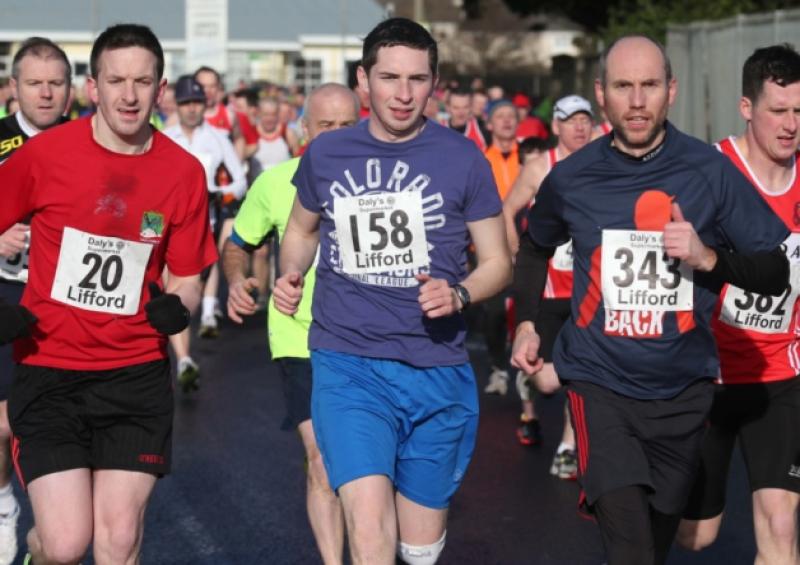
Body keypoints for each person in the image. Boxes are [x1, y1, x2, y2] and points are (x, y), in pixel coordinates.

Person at [510, 34, 790, 565]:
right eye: (623, 87)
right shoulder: (572, 178)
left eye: (649, 86)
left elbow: (775, 270)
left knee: (658, 543)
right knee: (632, 549)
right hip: (600, 384)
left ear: (671, 91)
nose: (637, 102)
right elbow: (533, 248)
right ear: (601, 94)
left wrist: (710, 259)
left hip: (682, 391)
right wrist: (527, 322)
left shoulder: (708, 172)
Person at [273, 17, 511, 565]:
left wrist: (459, 294)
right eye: (389, 77)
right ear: (364, 81)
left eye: (417, 80)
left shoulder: (462, 158)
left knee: (419, 549)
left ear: (434, 85)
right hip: (347, 362)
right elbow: (301, 231)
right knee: (369, 524)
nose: (403, 94)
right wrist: (290, 274)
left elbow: (498, 261)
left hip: (436, 365)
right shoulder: (327, 155)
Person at [0, 23, 216, 564]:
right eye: (115, 80)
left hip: (134, 375)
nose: (129, 94)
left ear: (160, 88)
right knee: (66, 543)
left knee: (118, 540)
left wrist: (179, 307)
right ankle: (39, 549)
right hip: (50, 368)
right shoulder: (44, 155)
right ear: (92, 88)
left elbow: (188, 277)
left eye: (142, 81)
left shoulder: (183, 173)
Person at [224, 82, 359, 565]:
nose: (339, 135)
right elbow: (238, 242)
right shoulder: (276, 181)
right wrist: (239, 280)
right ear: (304, 129)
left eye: (349, 125)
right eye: (327, 126)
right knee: (322, 460)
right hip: (298, 335)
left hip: (370, 338)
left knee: (368, 466)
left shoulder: (383, 180)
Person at [676, 44, 800, 564]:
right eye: (779, 110)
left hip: (780, 375)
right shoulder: (707, 171)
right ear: (747, 108)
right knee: (697, 536)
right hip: (707, 375)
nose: (791, 124)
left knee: (780, 522)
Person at [0, 36, 71, 565]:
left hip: (68, 303)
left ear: (70, 90)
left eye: (55, 83)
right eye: (34, 83)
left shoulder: (93, 137)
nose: (45, 94)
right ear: (13, 89)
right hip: (5, 293)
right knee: (3, 423)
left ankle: (50, 534)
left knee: (60, 422)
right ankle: (4, 506)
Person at [502, 95, 593, 469]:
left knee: (581, 371)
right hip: (548, 289)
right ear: (555, 126)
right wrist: (517, 259)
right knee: (548, 381)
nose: (580, 127)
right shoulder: (541, 166)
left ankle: (569, 446)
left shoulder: (605, 164)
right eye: (571, 121)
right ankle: (531, 395)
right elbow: (507, 209)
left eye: (586, 120)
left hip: (590, 290)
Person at [163, 75, 246, 390]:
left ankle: (204, 318)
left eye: (197, 102)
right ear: (177, 105)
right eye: (186, 103)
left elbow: (240, 181)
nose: (192, 109)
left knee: (192, 286)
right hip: (169, 225)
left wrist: (219, 193)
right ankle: (183, 358)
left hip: (204, 225)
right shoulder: (165, 137)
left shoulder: (218, 138)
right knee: (174, 289)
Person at [482, 99, 520, 396]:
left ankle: (525, 372)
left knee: (527, 310)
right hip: (488, 248)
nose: (507, 121)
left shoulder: (530, 158)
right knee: (493, 313)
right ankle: (498, 367)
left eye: (512, 116)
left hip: (526, 246)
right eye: (500, 117)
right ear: (490, 124)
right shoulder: (481, 159)